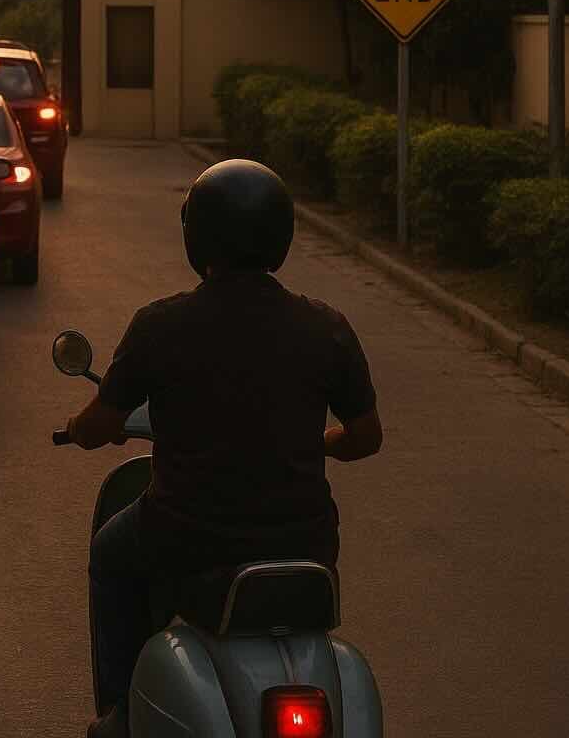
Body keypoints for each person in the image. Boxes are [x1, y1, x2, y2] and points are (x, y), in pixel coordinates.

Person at [63, 159, 384, 738]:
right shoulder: (327, 327)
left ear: (198, 237)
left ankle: (118, 714)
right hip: (306, 549)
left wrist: (83, 429)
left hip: (187, 538)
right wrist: (323, 443)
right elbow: (367, 439)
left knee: (112, 557)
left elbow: (100, 422)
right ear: (282, 236)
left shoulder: (160, 326)